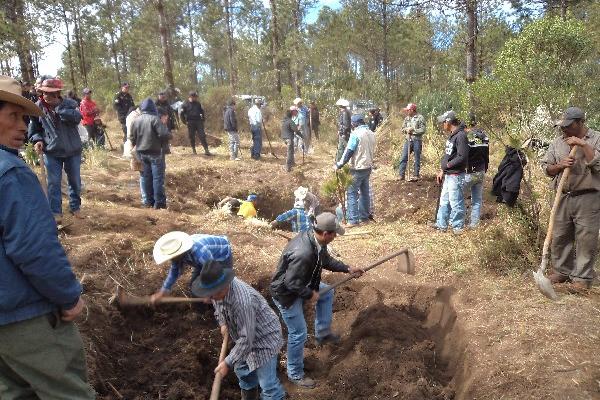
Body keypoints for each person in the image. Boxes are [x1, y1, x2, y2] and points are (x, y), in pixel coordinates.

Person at [0, 74, 95, 400]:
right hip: (24, 315)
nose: (23, 126)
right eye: (13, 116)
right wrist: (68, 295)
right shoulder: (10, 173)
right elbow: (34, 248)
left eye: (25, 118)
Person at [270, 213, 363, 389]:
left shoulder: (316, 241)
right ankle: (295, 374)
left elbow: (325, 260)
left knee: (327, 292)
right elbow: (290, 283)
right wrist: (309, 294)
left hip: (303, 281)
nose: (336, 236)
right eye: (335, 233)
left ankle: (322, 333)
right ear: (326, 233)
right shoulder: (303, 253)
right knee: (298, 333)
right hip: (286, 294)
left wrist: (347, 268)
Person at [192, 261, 286, 400]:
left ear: (222, 287)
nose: (209, 298)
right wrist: (223, 322)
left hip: (265, 339)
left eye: (211, 294)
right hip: (246, 336)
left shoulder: (242, 302)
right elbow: (218, 306)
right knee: (242, 370)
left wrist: (227, 362)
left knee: (268, 386)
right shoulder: (218, 292)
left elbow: (247, 340)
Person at [541, 107, 600, 291]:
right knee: (560, 234)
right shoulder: (558, 142)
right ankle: (562, 271)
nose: (563, 130)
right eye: (562, 126)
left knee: (586, 238)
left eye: (568, 126)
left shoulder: (596, 138)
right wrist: (559, 165)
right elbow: (546, 168)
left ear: (580, 123)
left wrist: (583, 145)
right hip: (563, 196)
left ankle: (582, 279)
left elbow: (598, 166)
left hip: (588, 197)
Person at [28, 78, 84, 224]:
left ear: (58, 93)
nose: (47, 96)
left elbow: (77, 118)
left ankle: (75, 207)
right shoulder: (37, 108)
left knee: (75, 181)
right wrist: (37, 140)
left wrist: (59, 109)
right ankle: (56, 212)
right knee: (53, 182)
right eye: (45, 93)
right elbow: (34, 129)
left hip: (73, 150)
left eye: (51, 93)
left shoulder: (70, 104)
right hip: (52, 151)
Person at [150, 232, 233, 303]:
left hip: (221, 255)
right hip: (205, 260)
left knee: (220, 286)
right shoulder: (178, 256)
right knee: (195, 288)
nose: (172, 260)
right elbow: (175, 272)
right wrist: (163, 291)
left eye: (174, 257)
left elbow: (211, 269)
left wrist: (209, 294)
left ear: (181, 252)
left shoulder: (200, 253)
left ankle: (224, 305)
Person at [130, 98, 172, 209]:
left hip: (141, 153)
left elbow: (131, 138)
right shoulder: (155, 119)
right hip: (155, 152)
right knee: (157, 178)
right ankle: (159, 203)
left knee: (145, 177)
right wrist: (169, 135)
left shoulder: (136, 120)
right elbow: (164, 134)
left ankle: (148, 202)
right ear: (152, 107)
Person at [335, 114, 376, 227]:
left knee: (352, 193)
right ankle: (364, 217)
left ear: (355, 123)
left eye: (352, 123)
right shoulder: (371, 133)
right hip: (368, 167)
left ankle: (353, 220)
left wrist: (339, 164)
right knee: (364, 192)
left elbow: (349, 151)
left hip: (357, 167)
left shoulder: (356, 134)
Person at [432, 111, 469, 234]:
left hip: (456, 175)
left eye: (444, 122)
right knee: (444, 201)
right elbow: (449, 155)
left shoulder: (461, 136)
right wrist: (442, 170)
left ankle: (457, 228)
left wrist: (448, 165)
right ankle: (441, 225)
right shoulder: (453, 135)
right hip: (448, 175)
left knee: (456, 202)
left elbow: (462, 156)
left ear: (448, 122)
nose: (442, 124)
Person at [464, 114, 489, 228]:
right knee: (477, 200)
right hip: (481, 170)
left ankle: (458, 222)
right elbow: (486, 155)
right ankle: (474, 224)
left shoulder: (467, 137)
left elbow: (464, 155)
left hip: (469, 171)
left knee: (458, 196)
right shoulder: (484, 136)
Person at [398, 103, 426, 181]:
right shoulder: (407, 118)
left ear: (412, 110)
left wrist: (413, 131)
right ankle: (401, 175)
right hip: (408, 140)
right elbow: (403, 128)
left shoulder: (420, 118)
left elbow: (423, 130)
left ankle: (416, 175)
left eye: (408, 110)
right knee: (404, 157)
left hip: (417, 140)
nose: (407, 112)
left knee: (417, 158)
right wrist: (406, 130)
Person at [180, 91, 212, 156]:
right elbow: (181, 114)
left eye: (196, 97)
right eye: (195, 97)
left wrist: (203, 118)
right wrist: (184, 121)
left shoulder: (198, 103)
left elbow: (201, 111)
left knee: (202, 135)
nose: (196, 98)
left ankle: (206, 150)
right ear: (191, 97)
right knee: (191, 136)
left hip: (198, 121)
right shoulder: (185, 104)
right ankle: (194, 150)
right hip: (190, 122)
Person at [281, 108, 302, 172]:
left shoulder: (284, 121)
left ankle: (292, 163)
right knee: (289, 152)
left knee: (291, 150)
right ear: (291, 115)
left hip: (284, 138)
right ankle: (287, 167)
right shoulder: (290, 121)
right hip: (289, 138)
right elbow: (296, 130)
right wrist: (302, 136)